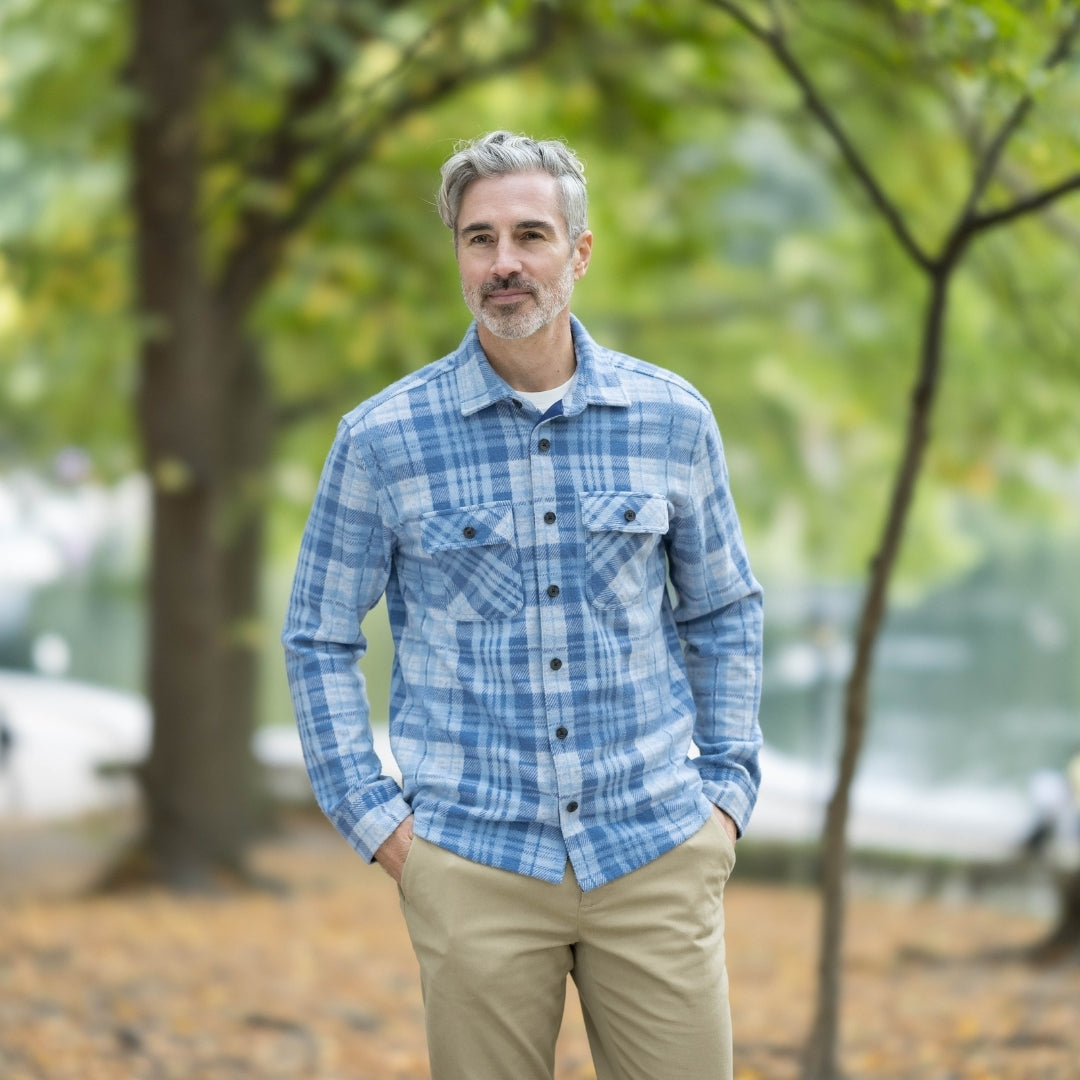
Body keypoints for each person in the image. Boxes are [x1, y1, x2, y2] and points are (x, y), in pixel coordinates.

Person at [283, 131, 764, 1080]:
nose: (504, 263)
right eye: (479, 239)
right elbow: (316, 636)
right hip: (471, 862)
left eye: (531, 235)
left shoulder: (672, 418)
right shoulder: (382, 439)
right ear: (458, 256)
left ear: (578, 252)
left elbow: (724, 612)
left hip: (658, 847)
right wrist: (380, 825)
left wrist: (726, 796)